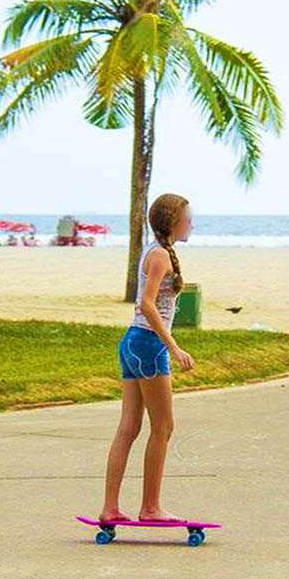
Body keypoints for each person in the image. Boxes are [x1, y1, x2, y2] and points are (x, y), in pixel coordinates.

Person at [99, 193, 196, 524]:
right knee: (163, 427)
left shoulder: (157, 253)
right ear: (173, 222)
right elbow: (147, 303)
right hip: (148, 344)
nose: (191, 224)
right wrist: (173, 346)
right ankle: (150, 507)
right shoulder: (160, 257)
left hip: (133, 342)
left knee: (129, 426)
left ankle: (110, 508)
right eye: (187, 218)